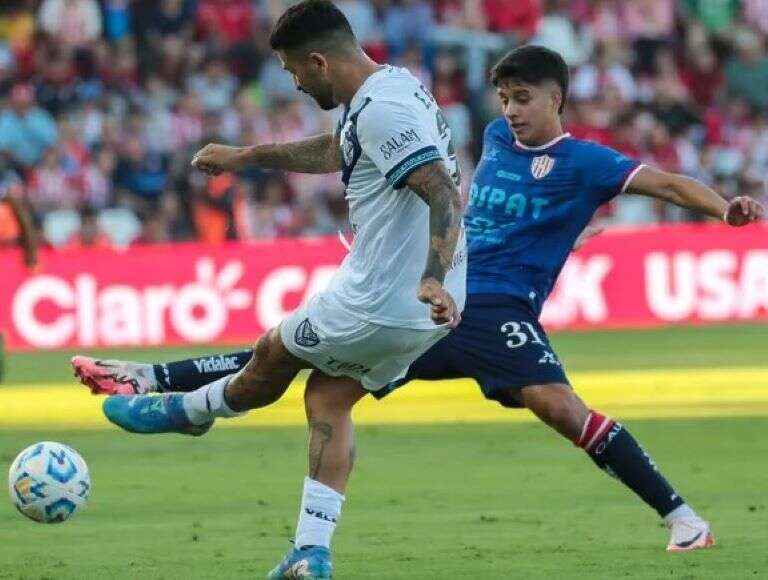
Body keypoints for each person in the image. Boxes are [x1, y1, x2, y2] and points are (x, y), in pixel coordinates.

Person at [73, 45, 765, 563]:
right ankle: (167, 395)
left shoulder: (587, 162)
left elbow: (667, 184)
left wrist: (722, 208)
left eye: (524, 97)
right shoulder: (496, 139)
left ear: (557, 99)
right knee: (321, 377)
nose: (510, 111)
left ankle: (683, 519)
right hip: (440, 300)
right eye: (504, 98)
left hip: (497, 309)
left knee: (559, 410)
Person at [76, 1, 466, 578]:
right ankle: (311, 553)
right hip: (428, 308)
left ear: (318, 61)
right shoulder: (391, 90)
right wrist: (246, 156)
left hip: (387, 296)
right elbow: (337, 150)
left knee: (273, 353)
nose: (296, 83)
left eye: (294, 71)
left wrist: (430, 274)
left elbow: (441, 190)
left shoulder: (382, 110)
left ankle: (189, 410)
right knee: (328, 399)